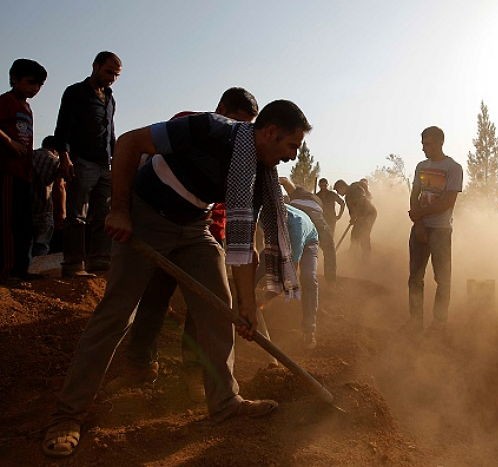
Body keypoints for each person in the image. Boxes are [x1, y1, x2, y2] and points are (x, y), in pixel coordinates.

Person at [42, 100, 312, 458]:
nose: (293, 156)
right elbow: (127, 143)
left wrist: (247, 307)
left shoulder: (258, 174)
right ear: (270, 132)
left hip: (193, 226)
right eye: (292, 145)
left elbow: (243, 244)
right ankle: (68, 415)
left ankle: (225, 402)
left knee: (220, 308)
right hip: (144, 216)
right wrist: (119, 210)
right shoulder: (208, 128)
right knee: (118, 314)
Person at [121, 88, 259, 403]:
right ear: (223, 108)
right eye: (238, 121)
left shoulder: (242, 152)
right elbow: (145, 158)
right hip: (167, 225)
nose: (241, 133)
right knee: (155, 295)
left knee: (206, 304)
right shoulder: (192, 124)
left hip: (209, 234)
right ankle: (139, 364)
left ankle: (197, 373)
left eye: (248, 126)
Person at [55, 51, 121, 277]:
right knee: (76, 215)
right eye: (108, 71)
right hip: (82, 161)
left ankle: (99, 261)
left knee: (103, 215)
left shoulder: (110, 98)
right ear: (95, 66)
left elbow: (110, 131)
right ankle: (73, 264)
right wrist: (65, 157)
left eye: (116, 74)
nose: (111, 78)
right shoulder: (75, 92)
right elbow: (62, 127)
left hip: (105, 164)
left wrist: (115, 158)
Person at [406, 126, 463, 332]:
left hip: (441, 230)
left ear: (440, 142)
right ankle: (415, 322)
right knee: (415, 278)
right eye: (422, 143)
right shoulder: (421, 166)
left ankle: (439, 324)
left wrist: (420, 215)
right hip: (421, 228)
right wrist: (419, 225)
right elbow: (415, 195)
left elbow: (448, 201)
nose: (423, 148)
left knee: (442, 279)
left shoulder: (453, 168)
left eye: (427, 143)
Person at [0, 58, 47, 282]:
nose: (34, 89)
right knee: (8, 223)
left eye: (39, 85)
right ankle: (6, 270)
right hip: (7, 170)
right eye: (30, 83)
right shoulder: (6, 102)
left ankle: (22, 268)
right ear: (14, 80)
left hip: (24, 172)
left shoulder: (26, 108)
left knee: (24, 224)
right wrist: (9, 142)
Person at [257, 204, 320, 349]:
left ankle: (309, 330)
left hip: (309, 242)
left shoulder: (296, 226)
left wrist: (267, 297)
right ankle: (242, 305)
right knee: (259, 265)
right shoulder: (262, 215)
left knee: (308, 278)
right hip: (284, 238)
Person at [279, 176, 336, 282]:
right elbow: (285, 181)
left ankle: (283, 277)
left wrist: (275, 181)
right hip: (315, 222)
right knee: (329, 250)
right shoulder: (314, 199)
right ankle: (331, 282)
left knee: (285, 247)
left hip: (298, 220)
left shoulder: (298, 194)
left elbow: (285, 181)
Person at [31, 136, 66, 256]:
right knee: (41, 244)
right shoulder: (55, 161)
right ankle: (37, 269)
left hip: (23, 207)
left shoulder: (29, 156)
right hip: (44, 210)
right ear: (56, 150)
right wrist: (62, 213)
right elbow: (59, 187)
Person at [334, 179, 377, 256]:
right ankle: (353, 254)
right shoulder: (347, 197)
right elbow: (351, 210)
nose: (338, 193)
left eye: (338, 190)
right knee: (354, 234)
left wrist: (356, 214)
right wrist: (353, 218)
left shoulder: (354, 188)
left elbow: (361, 200)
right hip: (361, 216)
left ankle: (366, 257)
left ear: (342, 187)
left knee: (364, 234)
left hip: (369, 214)